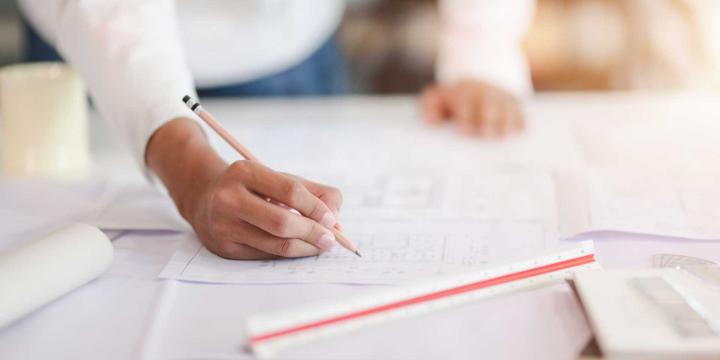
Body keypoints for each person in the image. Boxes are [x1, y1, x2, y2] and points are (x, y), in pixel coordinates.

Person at [19, 0, 535, 260]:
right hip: (94, 51)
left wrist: (482, 49)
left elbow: (484, 49)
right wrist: (182, 161)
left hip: (290, 42)